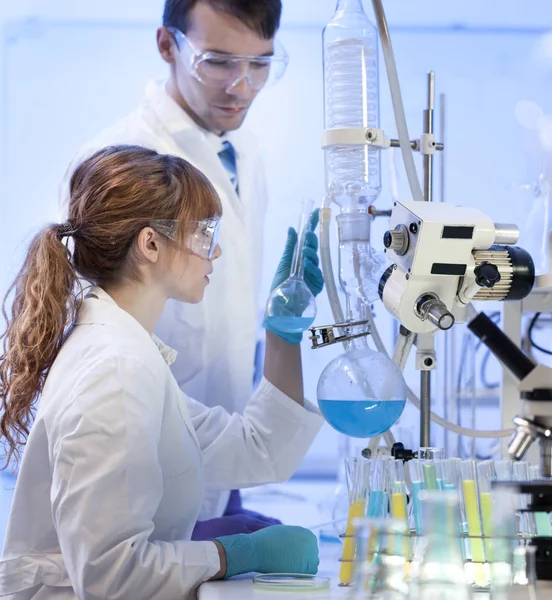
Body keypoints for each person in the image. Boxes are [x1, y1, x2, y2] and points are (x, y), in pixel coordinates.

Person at [0, 145, 324, 599]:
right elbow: (111, 577)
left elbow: (257, 450)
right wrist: (230, 554)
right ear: (150, 243)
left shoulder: (130, 354)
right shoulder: (114, 370)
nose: (217, 250)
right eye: (204, 233)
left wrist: (282, 333)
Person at [59, 0, 297, 533]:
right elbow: (87, 329)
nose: (242, 85)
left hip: (215, 458)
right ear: (168, 45)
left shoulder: (245, 152)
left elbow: (227, 321)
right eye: (218, 61)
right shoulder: (120, 160)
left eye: (260, 63)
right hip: (138, 460)